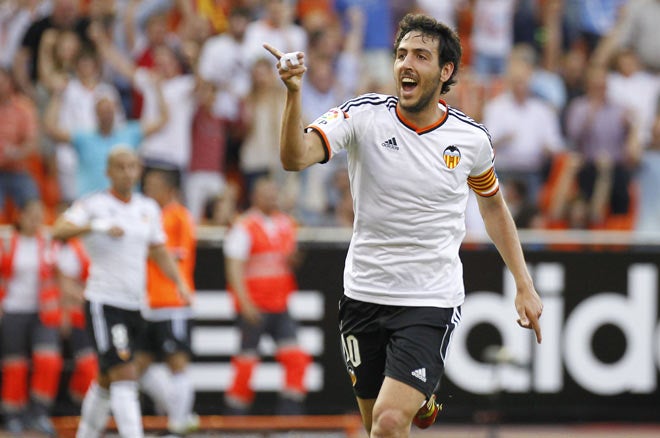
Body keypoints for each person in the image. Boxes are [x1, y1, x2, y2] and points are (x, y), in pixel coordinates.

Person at [264, 13, 543, 437]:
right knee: (378, 424)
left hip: (429, 298)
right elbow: (293, 158)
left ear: (445, 71)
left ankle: (416, 395)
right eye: (400, 54)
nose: (405, 64)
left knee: (389, 423)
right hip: (363, 294)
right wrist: (293, 93)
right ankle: (423, 396)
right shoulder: (362, 116)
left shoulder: (471, 140)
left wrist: (524, 283)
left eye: (420, 56)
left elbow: (493, 207)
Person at [51, 148, 192, 438]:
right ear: (108, 171)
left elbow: (158, 250)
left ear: (139, 171)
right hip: (105, 302)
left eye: (132, 167)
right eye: (121, 167)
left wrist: (179, 282)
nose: (127, 172)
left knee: (107, 378)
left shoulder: (148, 208)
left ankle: (86, 434)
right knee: (125, 375)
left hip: (135, 304)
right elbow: (59, 230)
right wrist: (95, 227)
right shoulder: (94, 204)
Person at [223, 177, 312, 415]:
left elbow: (290, 261)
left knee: (296, 359)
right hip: (255, 305)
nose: (272, 198)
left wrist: (296, 257)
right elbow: (234, 267)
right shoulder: (244, 225)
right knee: (246, 363)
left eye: (274, 194)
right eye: (267, 194)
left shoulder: (287, 223)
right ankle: (235, 420)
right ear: (255, 197)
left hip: (280, 304)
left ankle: (289, 418)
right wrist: (244, 303)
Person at [134, 167, 199, 435]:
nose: (148, 189)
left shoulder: (180, 217)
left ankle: (178, 422)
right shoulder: (149, 216)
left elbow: (178, 255)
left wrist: (146, 252)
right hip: (147, 303)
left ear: (169, 189)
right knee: (138, 366)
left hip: (173, 301)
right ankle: (180, 416)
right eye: (146, 184)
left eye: (154, 185)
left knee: (177, 363)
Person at [0, 199, 62, 435]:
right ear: (20, 216)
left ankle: (39, 412)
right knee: (15, 364)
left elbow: (62, 272)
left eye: (40, 215)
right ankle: (13, 414)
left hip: (43, 310)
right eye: (32, 215)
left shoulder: (48, 241)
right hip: (13, 308)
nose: (36, 220)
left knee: (49, 360)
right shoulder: (6, 241)